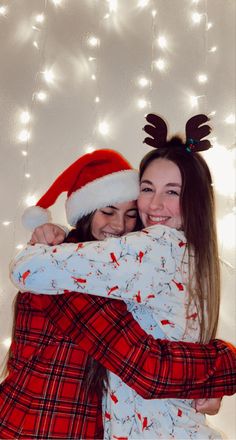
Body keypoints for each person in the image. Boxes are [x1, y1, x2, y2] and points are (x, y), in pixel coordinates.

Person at [9, 116, 236, 439]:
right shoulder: (75, 275)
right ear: (85, 212)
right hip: (36, 429)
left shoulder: (150, 254)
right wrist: (223, 365)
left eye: (172, 192)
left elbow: (149, 363)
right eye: (147, 189)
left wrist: (219, 375)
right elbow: (146, 366)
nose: (119, 226)